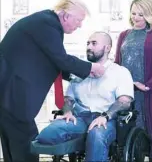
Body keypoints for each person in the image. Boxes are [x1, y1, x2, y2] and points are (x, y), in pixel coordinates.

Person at [0, 0, 105, 162]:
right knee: (24, 138)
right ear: (66, 16)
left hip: (8, 91)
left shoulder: (44, 22)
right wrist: (90, 68)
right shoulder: (47, 24)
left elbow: (50, 60)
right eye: (79, 20)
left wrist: (73, 75)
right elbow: (60, 58)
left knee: (11, 138)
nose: (80, 25)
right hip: (14, 92)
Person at [35, 32, 134, 162]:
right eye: (87, 43)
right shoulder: (81, 71)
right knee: (46, 135)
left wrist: (105, 116)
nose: (89, 47)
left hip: (107, 120)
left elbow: (125, 101)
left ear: (107, 48)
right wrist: (67, 111)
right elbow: (68, 98)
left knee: (96, 134)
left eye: (94, 43)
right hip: (80, 119)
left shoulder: (120, 72)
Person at [114, 0, 152, 161]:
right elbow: (117, 62)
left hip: (147, 91)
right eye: (133, 13)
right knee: (128, 128)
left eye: (141, 14)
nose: (136, 17)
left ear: (149, 14)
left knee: (148, 126)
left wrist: (148, 85)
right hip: (126, 90)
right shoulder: (124, 35)